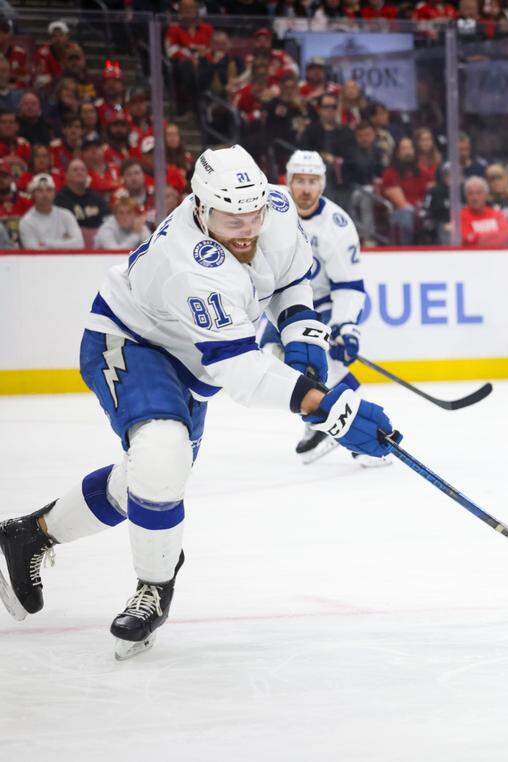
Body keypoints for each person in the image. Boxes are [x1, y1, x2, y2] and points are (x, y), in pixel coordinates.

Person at [0, 146, 398, 660]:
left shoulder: (274, 208)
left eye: (252, 213)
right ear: (201, 207)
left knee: (149, 479)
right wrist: (328, 408)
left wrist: (303, 335)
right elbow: (242, 373)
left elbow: (291, 279)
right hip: (133, 342)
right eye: (232, 219)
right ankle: (153, 588)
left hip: (193, 360)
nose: (247, 229)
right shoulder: (187, 261)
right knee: (161, 455)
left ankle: (31, 535)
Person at [276, 150, 373, 466]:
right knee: (271, 354)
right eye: (300, 180)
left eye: (313, 181)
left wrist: (346, 326)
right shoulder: (273, 210)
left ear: (323, 184)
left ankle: (345, 428)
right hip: (284, 301)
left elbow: (349, 285)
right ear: (288, 182)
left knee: (323, 363)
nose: (306, 188)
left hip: (323, 304)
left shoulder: (337, 225)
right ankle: (326, 420)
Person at [17, 172, 81, 249]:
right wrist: (65, 242)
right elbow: (34, 252)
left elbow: (79, 244)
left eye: (49, 190)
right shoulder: (26, 222)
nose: (45, 194)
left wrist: (47, 243)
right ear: (33, 195)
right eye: (40, 190)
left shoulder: (66, 215)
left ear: (54, 193)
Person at [55, 158, 109, 230]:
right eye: (75, 170)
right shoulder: (59, 200)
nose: (79, 172)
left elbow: (107, 222)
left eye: (83, 170)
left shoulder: (97, 198)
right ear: (67, 175)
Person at [460, 175, 508, 247]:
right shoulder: (460, 217)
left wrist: (478, 237)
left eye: (478, 193)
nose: (474, 197)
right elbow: (466, 239)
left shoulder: (497, 214)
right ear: (466, 196)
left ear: (486, 195)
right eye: (470, 193)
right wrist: (494, 235)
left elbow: (507, 235)